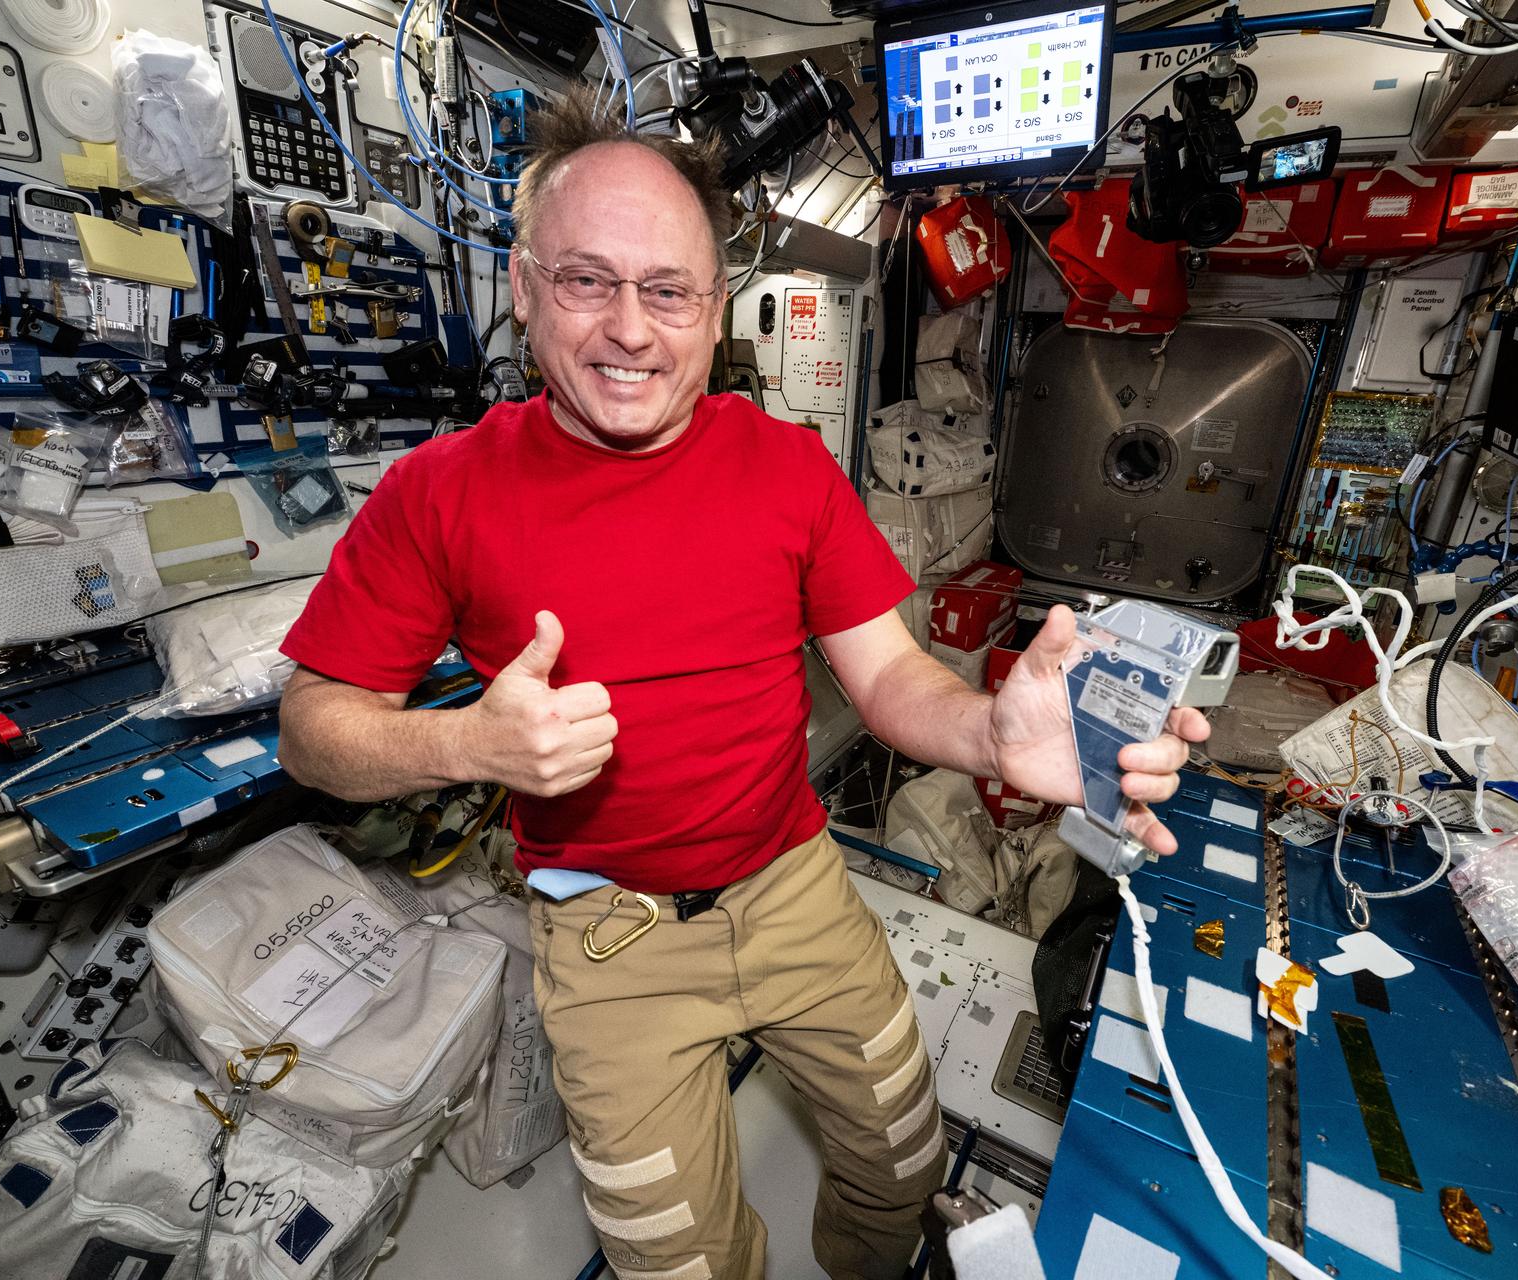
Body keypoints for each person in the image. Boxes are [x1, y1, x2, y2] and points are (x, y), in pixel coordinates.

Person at [277, 91, 1208, 1280]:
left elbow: (889, 676)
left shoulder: (787, 466)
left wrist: (990, 732)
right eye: (586, 280)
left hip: (797, 891)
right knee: (678, 1261)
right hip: (608, 939)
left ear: (714, 307)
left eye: (667, 289)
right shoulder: (438, 492)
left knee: (903, 1160)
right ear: (523, 287)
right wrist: (468, 745)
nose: (629, 328)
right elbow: (312, 729)